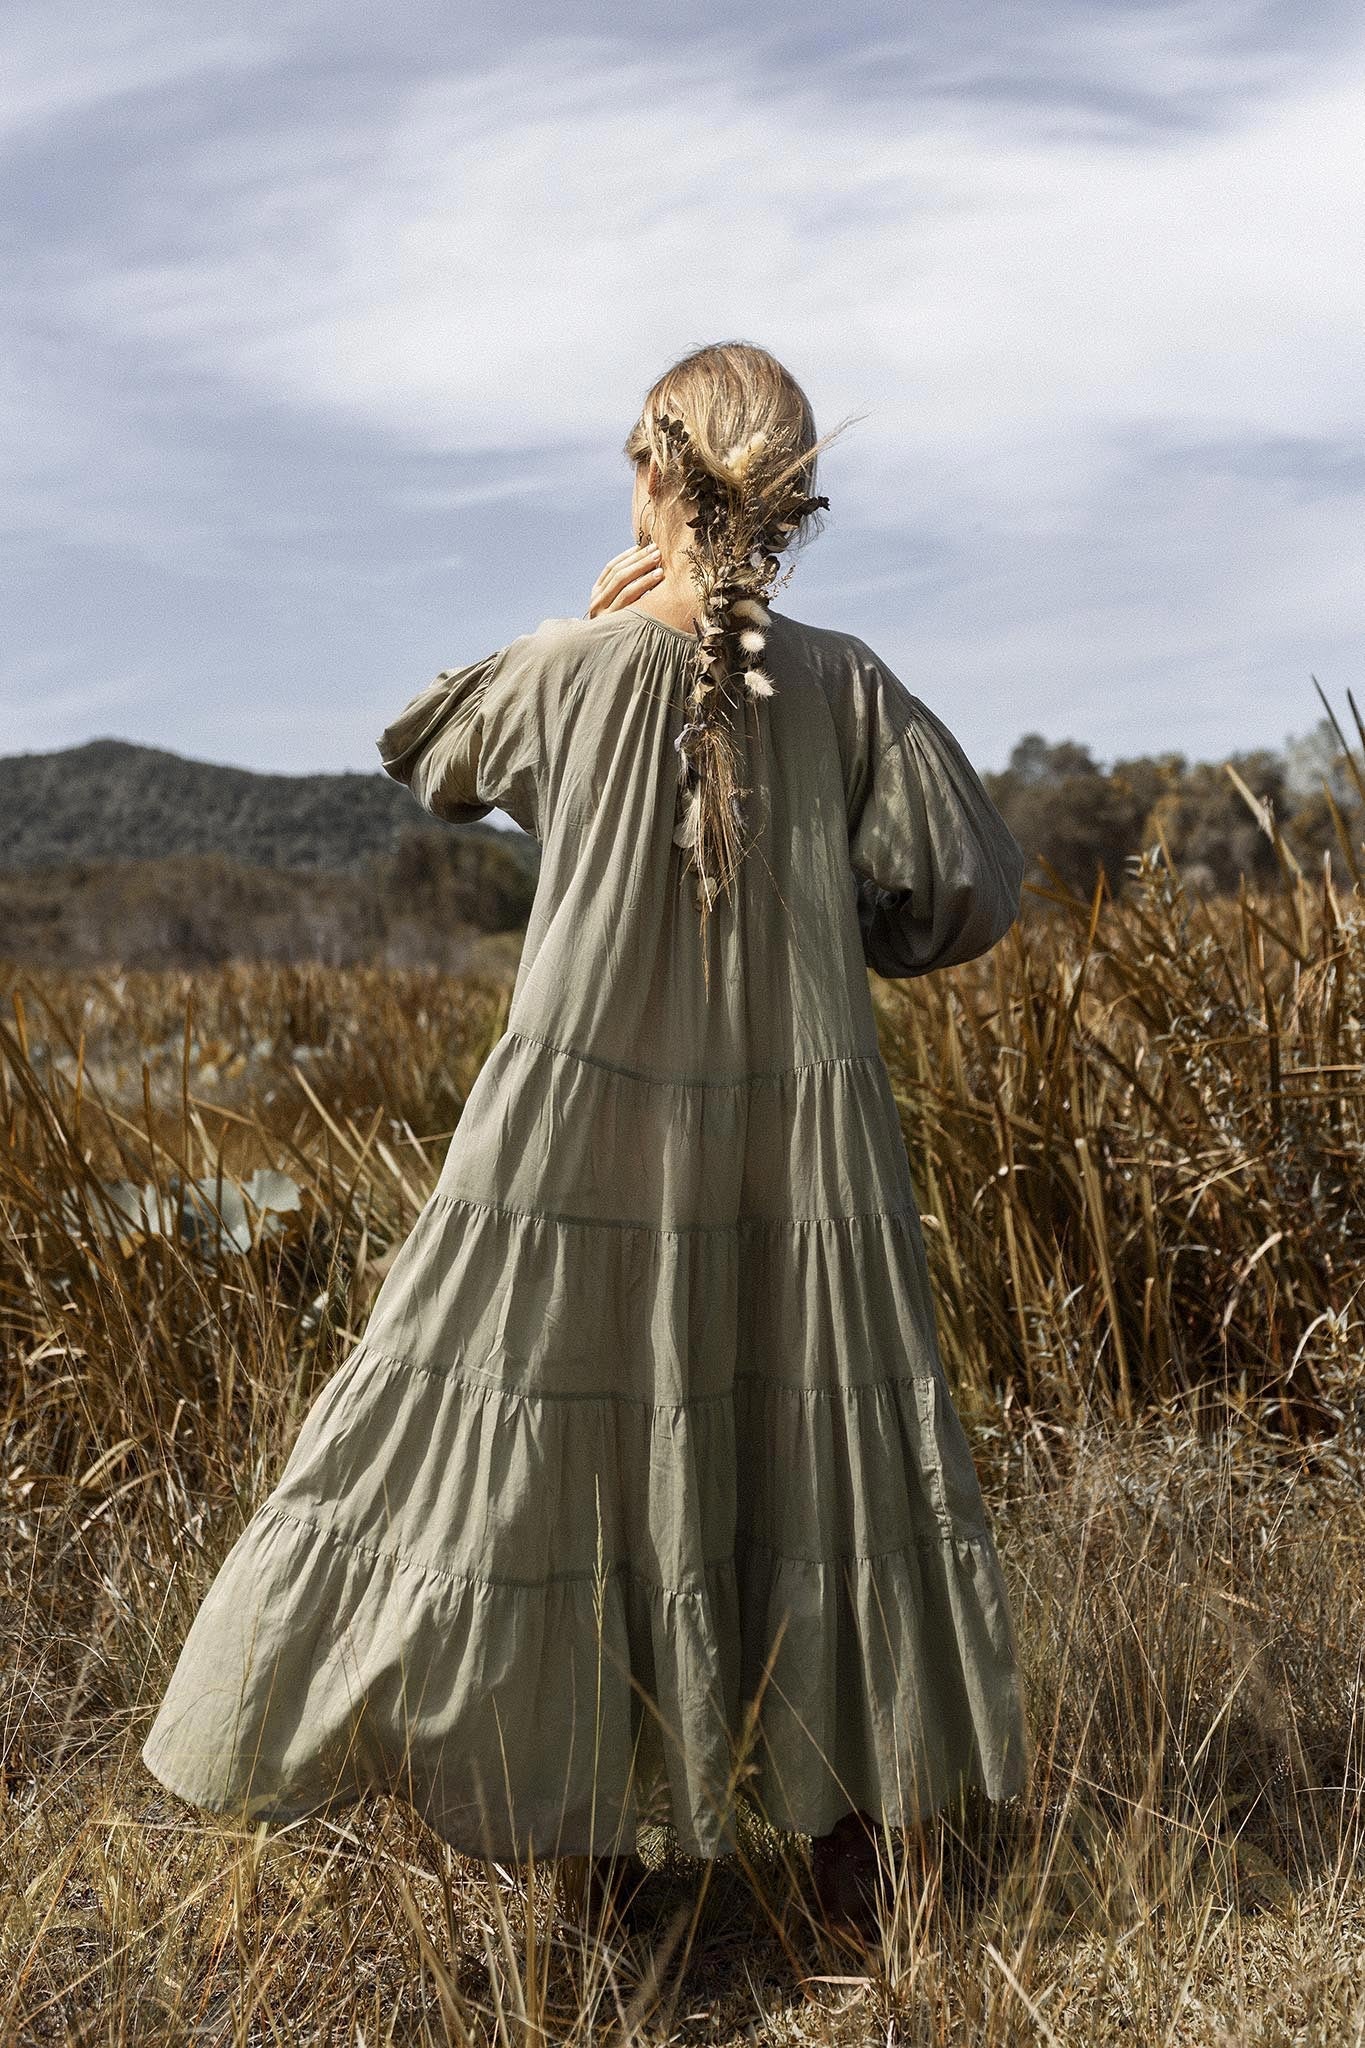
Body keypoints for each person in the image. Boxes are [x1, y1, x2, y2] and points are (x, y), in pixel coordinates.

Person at [141, 339, 1033, 1939]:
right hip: (800, 1154)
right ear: (791, 501)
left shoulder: (567, 664)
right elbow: (961, 891)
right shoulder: (848, 685)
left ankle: (594, 1877)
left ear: (649, 469)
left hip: (572, 1140)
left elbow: (430, 756)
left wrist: (591, 614)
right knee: (804, 1454)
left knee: (550, 1457)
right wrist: (830, 937)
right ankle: (846, 1870)